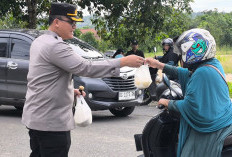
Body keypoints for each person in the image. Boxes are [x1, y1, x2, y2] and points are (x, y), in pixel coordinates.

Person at [21, 2, 144, 157]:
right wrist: (122, 62)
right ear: (57, 22)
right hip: (51, 123)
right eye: (71, 22)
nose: (74, 26)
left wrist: (68, 91)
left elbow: (43, 79)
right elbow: (85, 67)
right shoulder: (56, 46)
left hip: (36, 118)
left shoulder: (39, 41)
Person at [146, 28, 232, 157]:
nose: (180, 57)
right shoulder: (211, 64)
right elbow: (185, 73)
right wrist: (159, 65)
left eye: (182, 53)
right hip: (223, 114)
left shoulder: (203, 72)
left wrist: (169, 103)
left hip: (213, 125)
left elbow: (192, 107)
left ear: (192, 52)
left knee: (190, 151)